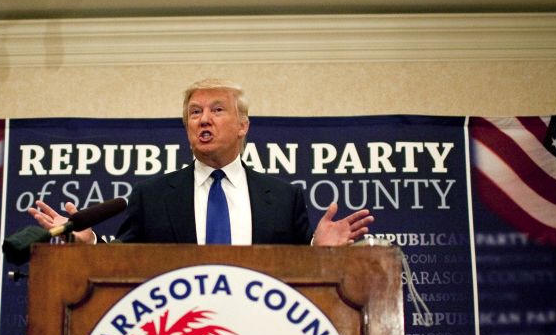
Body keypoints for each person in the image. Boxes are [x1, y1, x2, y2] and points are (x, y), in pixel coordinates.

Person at [29, 78, 373, 245]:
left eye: (217, 110)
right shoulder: (153, 196)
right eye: (195, 113)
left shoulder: (284, 198)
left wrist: (318, 248)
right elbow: (125, 262)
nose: (203, 119)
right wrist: (89, 243)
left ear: (243, 126)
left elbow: (299, 272)